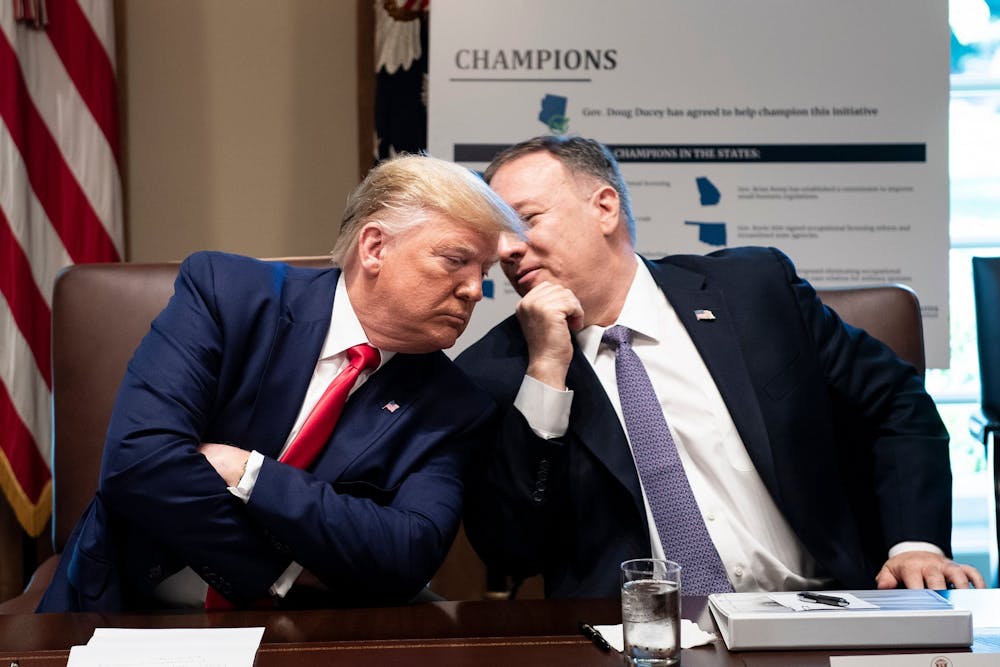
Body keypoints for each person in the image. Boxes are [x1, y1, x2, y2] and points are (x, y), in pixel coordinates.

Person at [456, 135, 985, 598]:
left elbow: (896, 403)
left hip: (818, 609)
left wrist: (916, 544)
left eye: (525, 219)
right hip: (639, 637)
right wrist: (547, 370)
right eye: (498, 235)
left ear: (605, 208)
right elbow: (512, 551)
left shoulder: (754, 293)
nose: (508, 250)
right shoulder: (500, 370)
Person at [37, 154, 521, 612]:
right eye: (455, 261)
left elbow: (406, 555)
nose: (475, 290)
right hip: (136, 595)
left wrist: (250, 473)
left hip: (315, 624)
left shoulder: (456, 405)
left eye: (484, 271)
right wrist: (281, 571)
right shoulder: (227, 295)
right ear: (375, 247)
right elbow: (138, 464)